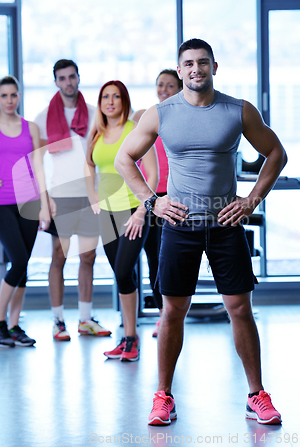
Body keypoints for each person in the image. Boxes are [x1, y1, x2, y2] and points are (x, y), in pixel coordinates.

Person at [115, 39, 287, 425]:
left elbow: (276, 153)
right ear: (179, 70)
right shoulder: (160, 114)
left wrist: (252, 199)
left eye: (203, 62)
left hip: (225, 225)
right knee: (172, 311)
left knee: (240, 309)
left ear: (214, 67)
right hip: (180, 226)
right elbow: (124, 157)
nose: (196, 69)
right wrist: (152, 202)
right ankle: (163, 397)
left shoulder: (237, 110)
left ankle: (256, 395)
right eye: (188, 63)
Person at [0, 76, 51, 347]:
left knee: (23, 266)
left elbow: (39, 169)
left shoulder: (32, 128)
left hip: (30, 204)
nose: (9, 100)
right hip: (1, 204)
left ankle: (14, 326)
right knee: (18, 260)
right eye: (4, 95)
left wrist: (45, 206)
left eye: (13, 95)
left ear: (19, 97)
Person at [34, 59, 111, 341]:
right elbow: (38, 164)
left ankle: (85, 318)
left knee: (88, 256)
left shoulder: (93, 114)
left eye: (72, 77)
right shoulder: (43, 117)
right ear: (56, 81)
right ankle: (57, 321)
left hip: (89, 196)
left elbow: (101, 155)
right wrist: (45, 202)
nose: (68, 82)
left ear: (79, 78)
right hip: (60, 197)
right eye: (62, 78)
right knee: (59, 257)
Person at [85, 80, 158, 361]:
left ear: (124, 100)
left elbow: (151, 173)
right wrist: (92, 195)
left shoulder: (135, 130)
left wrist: (143, 210)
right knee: (121, 273)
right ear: (100, 102)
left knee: (124, 270)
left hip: (133, 212)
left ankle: (131, 336)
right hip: (107, 213)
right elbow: (90, 163)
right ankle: (128, 336)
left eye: (116, 96)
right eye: (106, 96)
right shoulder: (97, 133)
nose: (111, 101)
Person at [132, 70, 183, 337]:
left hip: (175, 198)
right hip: (152, 197)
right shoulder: (145, 116)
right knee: (154, 259)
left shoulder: (184, 116)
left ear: (179, 87)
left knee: (170, 261)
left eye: (170, 85)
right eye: (160, 85)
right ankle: (164, 315)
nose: (164, 89)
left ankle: (173, 313)